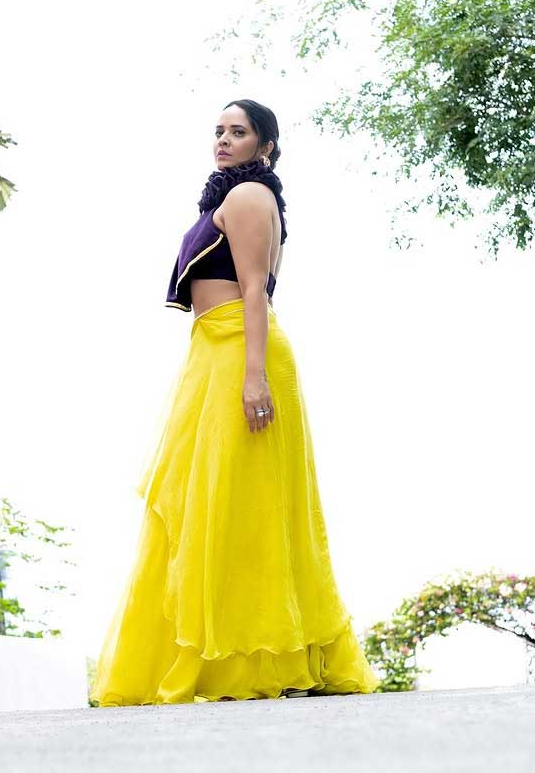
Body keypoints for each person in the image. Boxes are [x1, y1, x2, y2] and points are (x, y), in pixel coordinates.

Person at [89, 99, 380, 706]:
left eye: (238, 132)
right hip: (214, 351)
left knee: (242, 508)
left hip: (241, 354)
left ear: (265, 146)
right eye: (218, 131)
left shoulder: (249, 195)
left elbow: (254, 290)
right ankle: (234, 661)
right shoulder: (237, 197)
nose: (223, 139)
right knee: (214, 504)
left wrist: (254, 378)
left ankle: (263, 661)